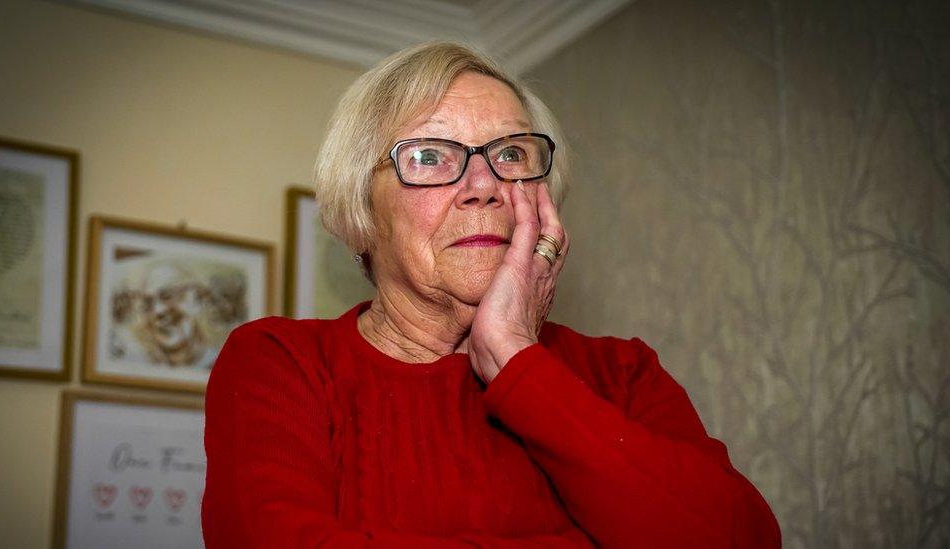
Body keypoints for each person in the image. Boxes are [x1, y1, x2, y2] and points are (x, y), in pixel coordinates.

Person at [202, 42, 781, 547]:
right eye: (429, 156)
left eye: (510, 155)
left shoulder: (620, 373)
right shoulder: (281, 363)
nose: (484, 187)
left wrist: (516, 360)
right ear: (362, 210)